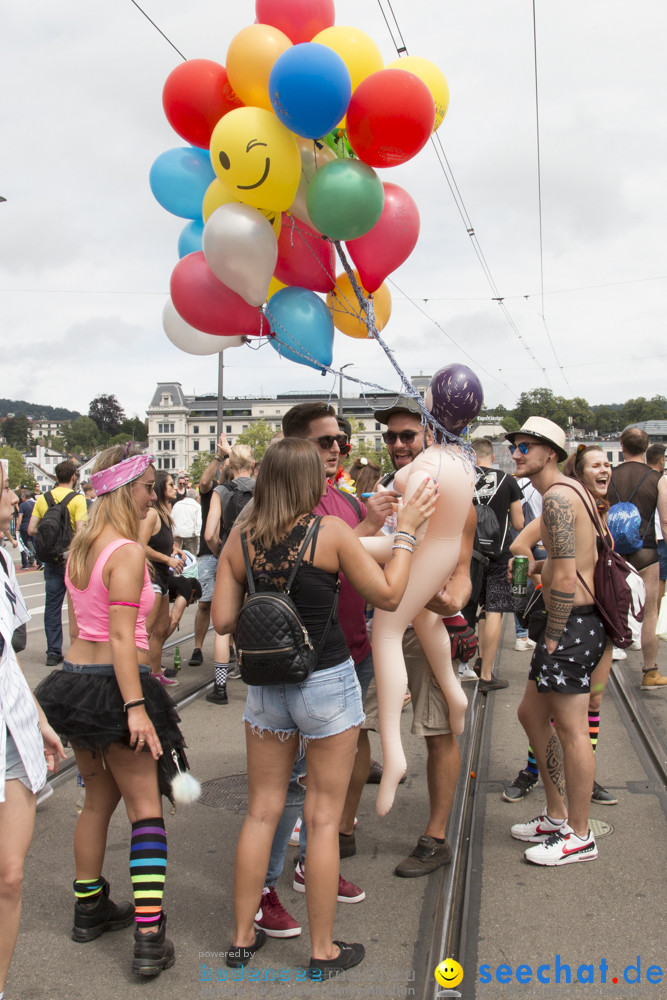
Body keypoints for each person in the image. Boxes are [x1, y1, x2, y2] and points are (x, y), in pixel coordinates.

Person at [212, 437, 436, 978]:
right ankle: (321, 950)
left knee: (263, 811)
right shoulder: (329, 532)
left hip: (267, 687)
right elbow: (386, 594)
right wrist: (405, 533)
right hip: (327, 680)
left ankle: (242, 940)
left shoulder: (241, 538)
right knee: (323, 815)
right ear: (310, 483)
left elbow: (221, 621)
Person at [34, 445, 187, 978]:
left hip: (75, 684)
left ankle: (89, 907)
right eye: (148, 487)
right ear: (126, 490)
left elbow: (81, 629)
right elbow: (123, 638)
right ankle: (149, 934)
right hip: (115, 689)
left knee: (97, 802)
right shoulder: (123, 552)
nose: (154, 495)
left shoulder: (82, 545)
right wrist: (137, 708)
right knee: (147, 808)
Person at [370, 397, 476, 876]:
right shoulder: (385, 489)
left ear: (430, 433)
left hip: (420, 619)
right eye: (390, 436)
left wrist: (453, 596)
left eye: (406, 435)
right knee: (351, 730)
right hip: (379, 612)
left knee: (437, 732)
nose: (396, 444)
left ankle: (435, 836)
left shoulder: (448, 484)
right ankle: (341, 829)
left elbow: (462, 568)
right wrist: (371, 518)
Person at [506, 417, 607, 865]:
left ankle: (579, 835)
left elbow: (566, 575)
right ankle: (555, 812)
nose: (517, 453)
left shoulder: (561, 499)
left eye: (526, 446)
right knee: (531, 714)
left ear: (551, 453)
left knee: (571, 730)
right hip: (570, 621)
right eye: (515, 445)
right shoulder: (560, 495)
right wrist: (534, 569)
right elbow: (533, 553)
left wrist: (554, 633)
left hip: (572, 624)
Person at [0, 460, 66, 1000]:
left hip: (11, 731)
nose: (15, 503)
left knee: (10, 877)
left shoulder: (2, 560)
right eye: (5, 492)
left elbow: (7, 659)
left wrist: (40, 721)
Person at [609, 428, 667, 688]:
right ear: (647, 448)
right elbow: (665, 521)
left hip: (613, 551)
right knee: (650, 612)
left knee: (609, 609)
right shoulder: (657, 478)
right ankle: (650, 671)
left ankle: (601, 664)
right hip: (646, 551)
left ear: (622, 446)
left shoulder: (609, 475)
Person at [469, 437, 524, 691]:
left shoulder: (463, 479)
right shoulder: (507, 480)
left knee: (477, 607)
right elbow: (519, 524)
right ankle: (487, 675)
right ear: (492, 456)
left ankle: (474, 661)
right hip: (499, 555)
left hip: (468, 555)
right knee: (494, 610)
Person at [204, 445, 255, 704]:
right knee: (254, 620)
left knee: (223, 627)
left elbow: (210, 534)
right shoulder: (263, 489)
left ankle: (220, 688)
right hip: (257, 560)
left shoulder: (221, 491)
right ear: (254, 465)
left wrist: (220, 553)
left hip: (229, 559)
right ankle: (256, 681)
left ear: (229, 467)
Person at [28, 460, 88, 666]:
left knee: (52, 606)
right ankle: (79, 649)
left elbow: (31, 530)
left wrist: (50, 534)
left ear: (56, 477)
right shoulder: (78, 500)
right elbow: (81, 532)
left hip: (52, 559)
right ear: (73, 477)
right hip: (71, 558)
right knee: (78, 606)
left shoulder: (43, 499)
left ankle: (53, 652)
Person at [188, 436, 231, 667]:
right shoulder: (212, 491)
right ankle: (197, 647)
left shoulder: (241, 491)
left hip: (231, 552)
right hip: (208, 552)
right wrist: (220, 456)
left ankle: (230, 646)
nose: (225, 468)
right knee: (205, 602)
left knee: (234, 603)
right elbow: (204, 482)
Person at [139, 472, 184, 688]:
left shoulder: (165, 514)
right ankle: (141, 675)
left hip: (163, 578)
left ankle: (155, 673)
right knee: (147, 631)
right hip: (152, 578)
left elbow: (159, 542)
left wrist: (174, 550)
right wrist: (168, 558)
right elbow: (141, 545)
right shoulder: (152, 515)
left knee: (160, 628)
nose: (175, 488)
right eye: (170, 485)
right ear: (159, 488)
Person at [646, 443, 666, 606]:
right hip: (660, 537)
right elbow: (665, 519)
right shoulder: (661, 480)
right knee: (660, 580)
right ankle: (654, 615)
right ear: (661, 460)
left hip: (642, 536)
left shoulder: (642, 477)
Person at [171, 488, 201, 556]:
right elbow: (198, 523)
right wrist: (198, 537)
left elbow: (171, 518)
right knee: (190, 557)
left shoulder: (177, 504)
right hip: (189, 535)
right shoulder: (197, 506)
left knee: (176, 556)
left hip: (176, 534)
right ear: (196, 497)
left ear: (186, 495)